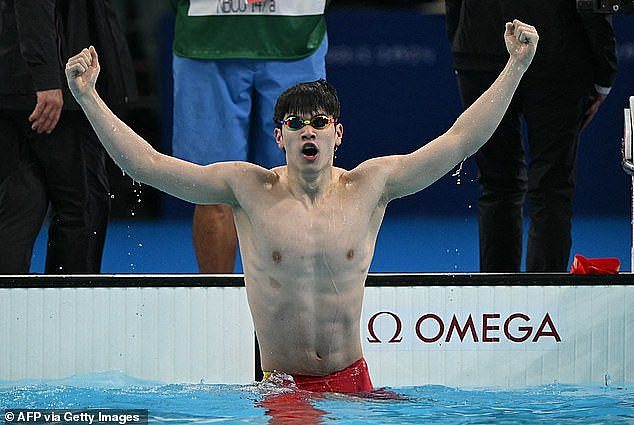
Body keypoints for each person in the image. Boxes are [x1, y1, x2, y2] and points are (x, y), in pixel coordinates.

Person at [65, 20, 538, 393]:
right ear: (280, 137)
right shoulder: (248, 189)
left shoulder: (369, 185)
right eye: (295, 123)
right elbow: (148, 165)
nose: (307, 130)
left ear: (338, 133)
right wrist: (87, 96)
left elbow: (458, 141)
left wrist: (516, 65)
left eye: (318, 122)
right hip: (285, 389)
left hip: (356, 382)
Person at [445, 0, 617, 272]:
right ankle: (543, 300)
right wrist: (604, 71)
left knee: (497, 182)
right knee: (550, 186)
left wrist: (461, 42)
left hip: (481, 49)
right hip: (558, 53)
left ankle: (497, 300)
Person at [171, 0, 330, 272]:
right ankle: (215, 305)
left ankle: (293, 309)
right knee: (213, 187)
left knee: (298, 184)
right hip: (207, 30)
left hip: (295, 30)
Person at [0, 0, 137, 274]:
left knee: (21, 201)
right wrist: (46, 77)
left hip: (19, 79)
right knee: (83, 205)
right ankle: (70, 307)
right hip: (56, 87)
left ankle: (7, 307)